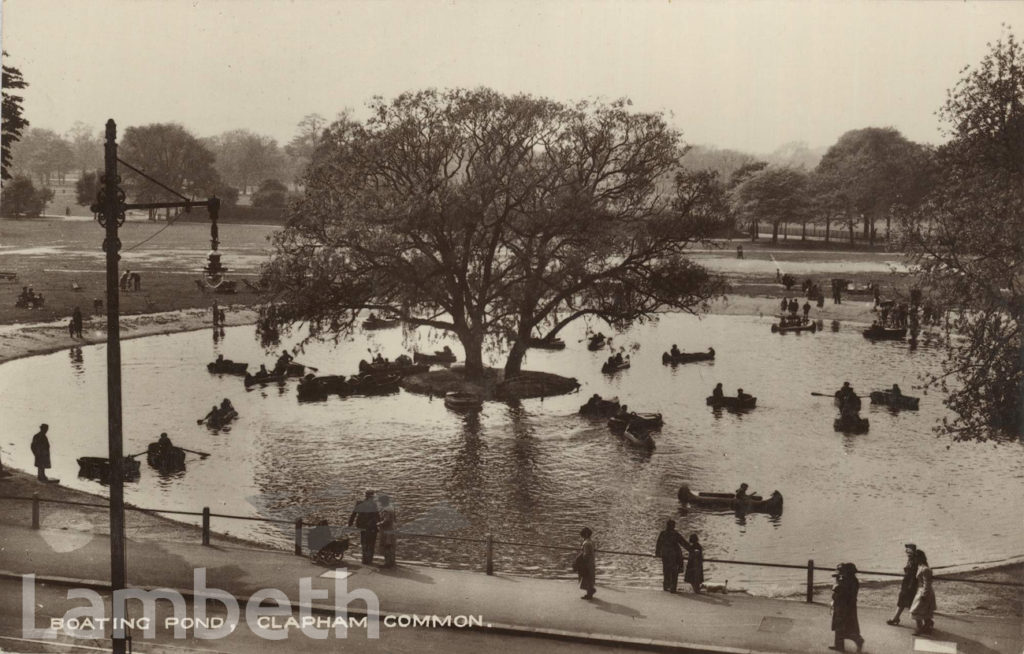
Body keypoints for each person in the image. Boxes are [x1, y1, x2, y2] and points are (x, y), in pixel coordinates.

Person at [830, 562, 864, 652]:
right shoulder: (852, 580)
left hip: (843, 606)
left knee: (842, 625)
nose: (840, 573)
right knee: (844, 625)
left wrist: (837, 582)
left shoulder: (845, 581)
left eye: (841, 571)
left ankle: (857, 640)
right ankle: (839, 644)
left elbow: (837, 591)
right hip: (848, 606)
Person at [888, 543, 918, 626]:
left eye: (908, 550)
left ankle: (924, 623)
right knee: (903, 601)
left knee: (912, 604)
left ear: (912, 551)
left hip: (910, 585)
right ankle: (896, 618)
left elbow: (913, 574)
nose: (906, 551)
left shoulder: (914, 560)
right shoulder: (911, 559)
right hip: (907, 584)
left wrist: (910, 586)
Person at [348, 490, 380, 564]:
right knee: (371, 543)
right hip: (371, 527)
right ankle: (369, 559)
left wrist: (350, 524)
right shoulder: (373, 504)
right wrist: (379, 524)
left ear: (365, 496)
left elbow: (353, 514)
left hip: (362, 526)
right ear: (371, 497)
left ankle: (364, 559)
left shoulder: (359, 503)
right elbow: (376, 516)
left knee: (364, 542)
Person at [909, 549, 936, 635]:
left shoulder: (925, 569)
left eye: (915, 558)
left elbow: (927, 584)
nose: (914, 560)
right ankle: (927, 626)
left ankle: (919, 629)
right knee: (924, 611)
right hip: (921, 591)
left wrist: (924, 595)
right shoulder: (920, 567)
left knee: (915, 610)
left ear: (919, 558)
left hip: (924, 592)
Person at [655, 519, 685, 593]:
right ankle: (672, 587)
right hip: (673, 555)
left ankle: (666, 586)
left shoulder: (663, 533)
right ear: (673, 526)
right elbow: (683, 543)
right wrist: (692, 549)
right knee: (674, 571)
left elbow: (658, 544)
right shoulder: (675, 534)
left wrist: (657, 553)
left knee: (666, 570)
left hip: (665, 555)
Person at [575, 527, 596, 599]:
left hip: (587, 563)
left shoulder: (586, 543)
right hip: (591, 562)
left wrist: (581, 561)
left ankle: (590, 593)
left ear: (585, 535)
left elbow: (586, 554)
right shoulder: (591, 541)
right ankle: (590, 591)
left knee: (586, 577)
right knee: (590, 577)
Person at [377, 494, 397, 567]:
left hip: (386, 530)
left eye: (380, 502)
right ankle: (392, 561)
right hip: (392, 528)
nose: (380, 503)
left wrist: (378, 524)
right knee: (391, 546)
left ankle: (387, 563)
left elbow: (386, 521)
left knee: (386, 545)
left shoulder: (385, 509)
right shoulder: (391, 506)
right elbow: (394, 518)